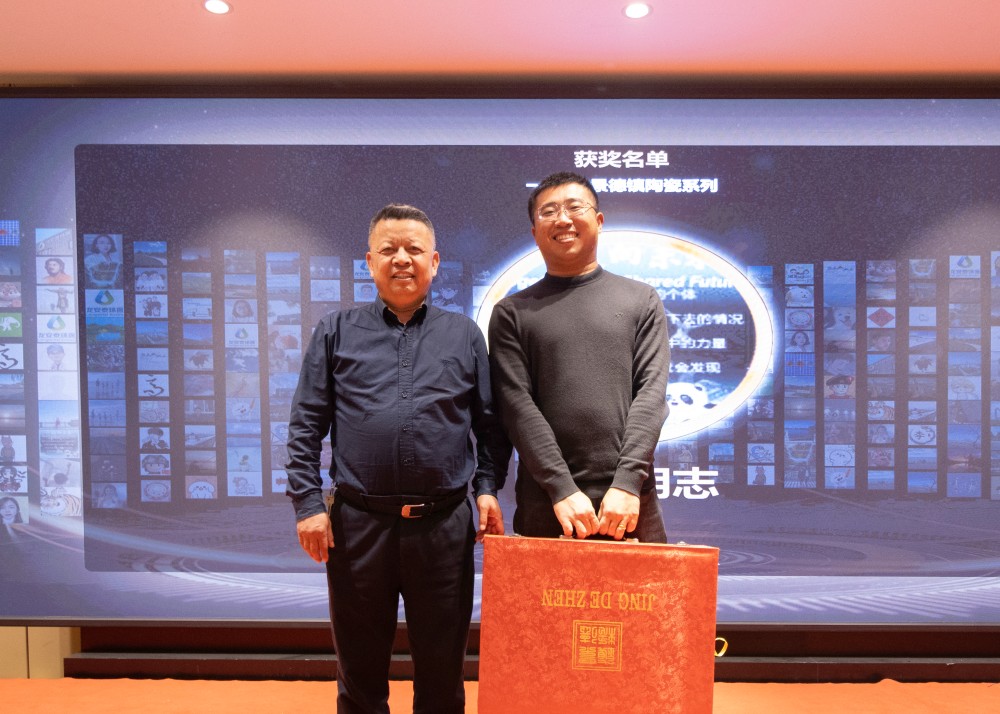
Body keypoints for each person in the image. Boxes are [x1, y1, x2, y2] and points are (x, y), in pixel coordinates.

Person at [286, 203, 509, 714]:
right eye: (388, 250)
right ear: (370, 261)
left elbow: (490, 426)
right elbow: (305, 425)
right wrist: (308, 505)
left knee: (443, 674)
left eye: (414, 249)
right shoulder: (335, 331)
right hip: (358, 526)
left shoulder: (464, 335)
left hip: (443, 527)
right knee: (359, 676)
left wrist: (486, 488)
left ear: (435, 261)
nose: (402, 259)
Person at [488, 171, 669, 542]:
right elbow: (516, 406)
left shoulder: (641, 300)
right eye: (549, 212)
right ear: (534, 232)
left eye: (574, 207)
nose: (563, 219)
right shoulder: (512, 312)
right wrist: (561, 488)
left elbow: (652, 394)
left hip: (630, 503)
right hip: (548, 504)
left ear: (599, 221)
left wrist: (627, 483)